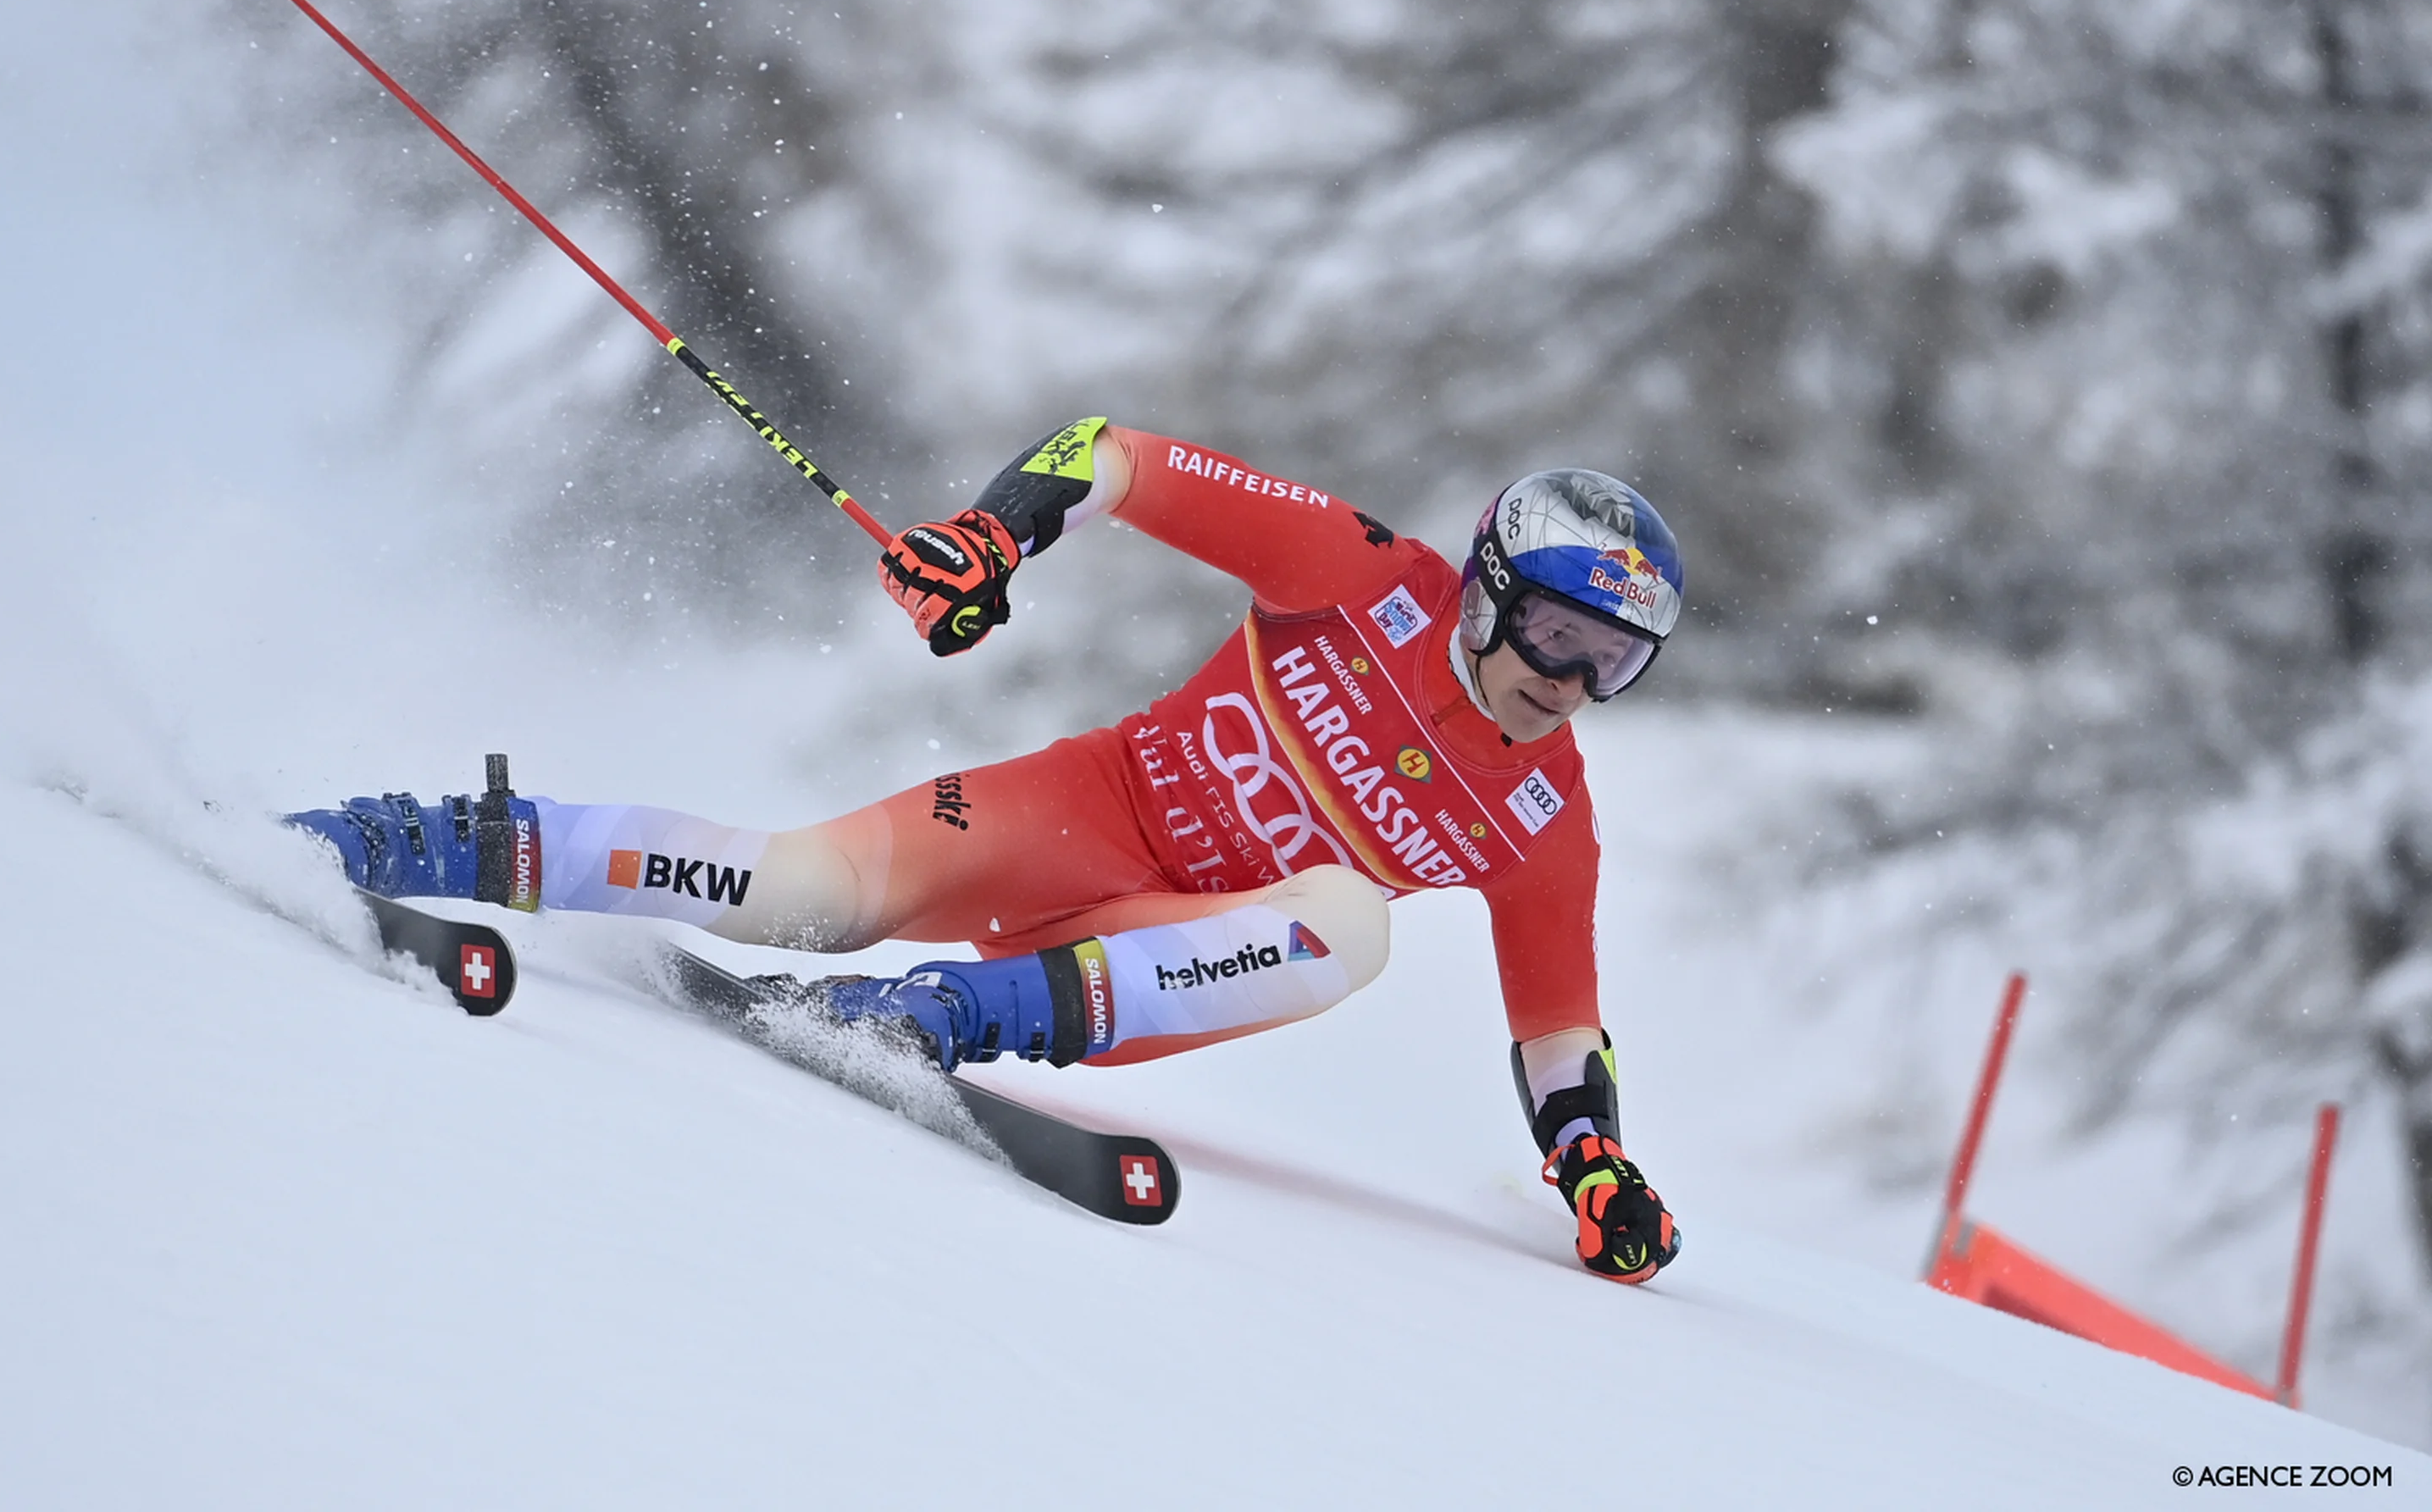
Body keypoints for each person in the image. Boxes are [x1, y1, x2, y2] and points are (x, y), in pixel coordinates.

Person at [291, 418, 1686, 1283]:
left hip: (1143, 962)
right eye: (1559, 634)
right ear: (1490, 589)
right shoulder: (1362, 574)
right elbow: (1114, 453)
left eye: (1615, 662)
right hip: (1082, 809)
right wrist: (991, 538)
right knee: (794, 891)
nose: (1571, 682)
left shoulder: (1546, 817)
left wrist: (1595, 1170)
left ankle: (939, 1014)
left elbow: (1559, 1030)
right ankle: (429, 839)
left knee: (1352, 925)